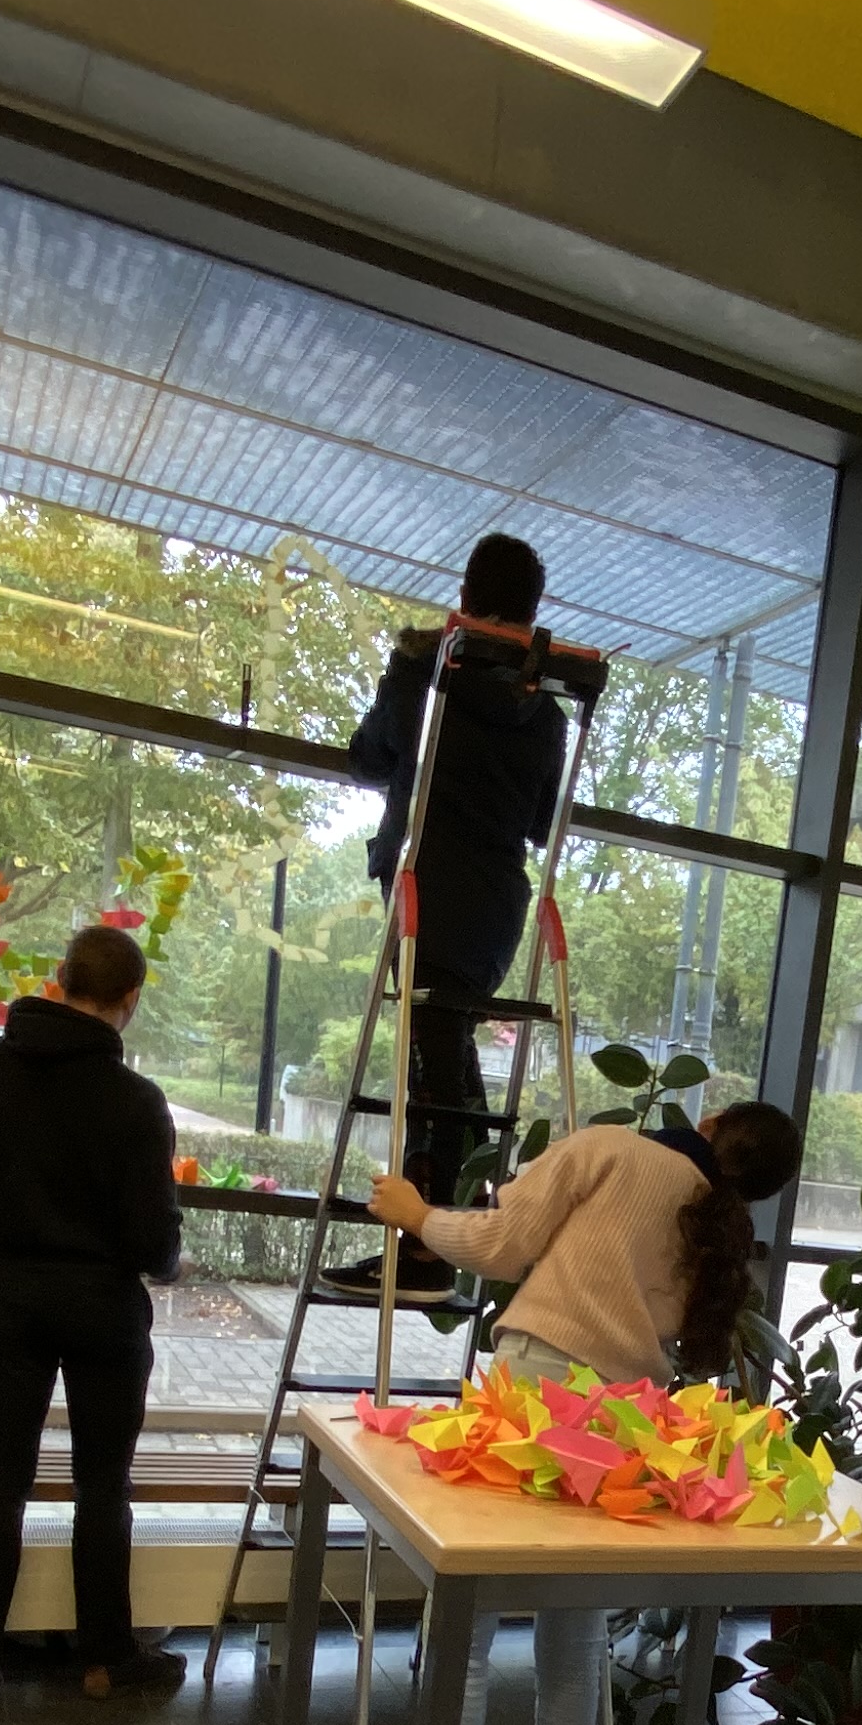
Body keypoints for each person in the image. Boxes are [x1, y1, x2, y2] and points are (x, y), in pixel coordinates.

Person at [336, 1100, 804, 1725]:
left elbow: (499, 1245)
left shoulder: (612, 1151)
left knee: (467, 1635)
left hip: (532, 1398)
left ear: (712, 1120)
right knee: (575, 1643)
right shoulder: (718, 1223)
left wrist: (415, 1215)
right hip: (624, 1421)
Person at [0, 923, 188, 1711]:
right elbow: (152, 1240)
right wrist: (164, 1259)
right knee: (103, 1485)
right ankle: (107, 1660)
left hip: (13, 1295)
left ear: (59, 980)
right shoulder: (136, 1101)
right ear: (130, 999)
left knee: (0, 1480)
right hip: (105, 1308)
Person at [330, 533, 569, 1289]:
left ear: (465, 597)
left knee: (432, 1075)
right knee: (447, 1059)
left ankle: (431, 1249)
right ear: (533, 612)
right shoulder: (547, 710)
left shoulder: (424, 671)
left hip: (424, 892)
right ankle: (450, 1235)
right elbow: (543, 823)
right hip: (495, 910)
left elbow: (369, 757)